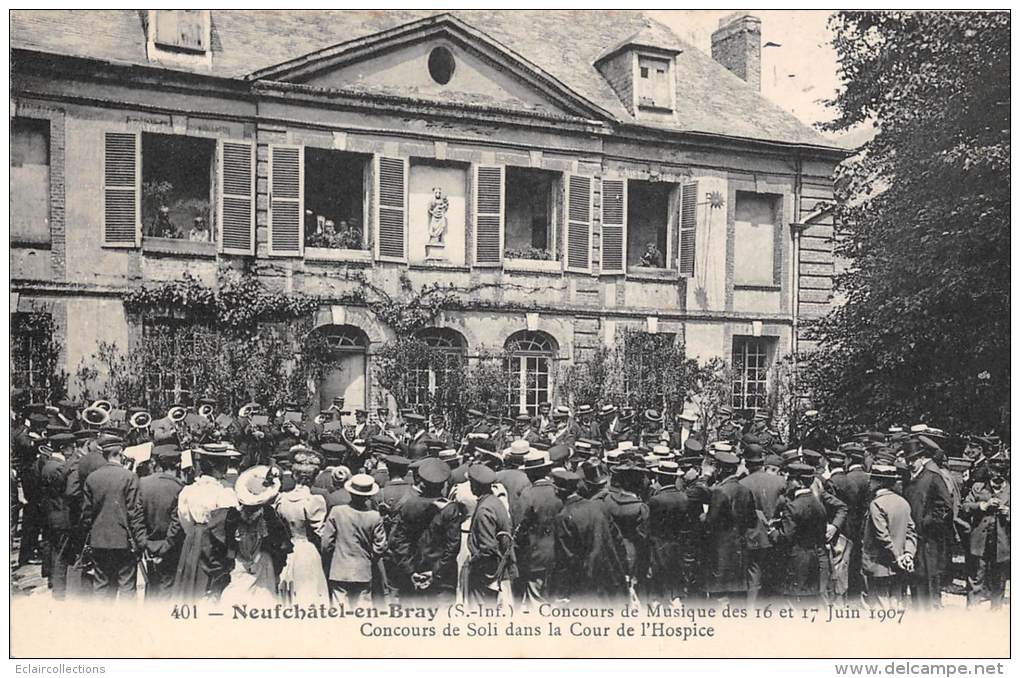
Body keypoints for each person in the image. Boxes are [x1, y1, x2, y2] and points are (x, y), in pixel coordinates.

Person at [79, 442, 147, 599]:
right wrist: (141, 542)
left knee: (101, 586)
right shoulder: (129, 477)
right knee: (127, 587)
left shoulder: (92, 478)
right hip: (124, 542)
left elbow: (86, 515)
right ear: (120, 453)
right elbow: (134, 513)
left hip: (99, 541)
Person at [388, 458, 462, 601]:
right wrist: (435, 572)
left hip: (412, 574)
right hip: (442, 578)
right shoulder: (449, 509)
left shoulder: (409, 504)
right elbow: (452, 546)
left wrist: (410, 571)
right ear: (443, 485)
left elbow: (399, 541)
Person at [549, 468, 628, 601]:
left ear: (557, 491)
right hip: (610, 580)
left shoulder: (563, 517)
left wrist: (561, 593)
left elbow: (566, 558)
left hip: (584, 585)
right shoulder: (598, 507)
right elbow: (618, 540)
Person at [172, 446, 240, 601]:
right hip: (214, 542)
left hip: (194, 537)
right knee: (212, 586)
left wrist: (196, 532)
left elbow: (185, 519)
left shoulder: (189, 490)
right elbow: (229, 524)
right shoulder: (225, 492)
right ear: (219, 466)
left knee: (191, 584)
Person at [221, 465, 292, 606]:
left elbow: (229, 545)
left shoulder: (233, 515)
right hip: (259, 562)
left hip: (241, 561)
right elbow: (281, 543)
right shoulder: (269, 515)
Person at [901, 437, 953, 609]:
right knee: (915, 577)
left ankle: (931, 615)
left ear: (922, 458)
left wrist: (927, 522)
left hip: (928, 538)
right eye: (908, 460)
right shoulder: (906, 479)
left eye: (914, 459)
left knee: (929, 577)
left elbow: (945, 506)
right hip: (911, 536)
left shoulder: (933, 478)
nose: (911, 463)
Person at [320, 473, 386, 607]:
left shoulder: (337, 512)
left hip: (339, 568)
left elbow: (326, 543)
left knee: (340, 609)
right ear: (369, 495)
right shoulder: (374, 516)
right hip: (363, 570)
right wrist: (369, 557)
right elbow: (381, 545)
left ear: (350, 493)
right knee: (363, 607)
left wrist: (330, 559)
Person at [274, 448, 330, 605]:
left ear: (294, 475)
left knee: (289, 596)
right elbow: (321, 532)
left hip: (287, 551)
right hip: (307, 551)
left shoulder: (282, 498)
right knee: (308, 594)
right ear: (314, 478)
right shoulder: (314, 501)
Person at [703, 451, 757, 603]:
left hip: (720, 551)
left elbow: (710, 523)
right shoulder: (745, 490)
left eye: (716, 468)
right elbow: (752, 521)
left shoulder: (720, 492)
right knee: (736, 595)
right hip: (740, 550)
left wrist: (703, 517)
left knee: (720, 594)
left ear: (721, 470)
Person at [770, 463, 828, 605]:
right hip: (813, 558)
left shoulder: (792, 506)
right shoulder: (818, 504)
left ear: (799, 483)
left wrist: (773, 532)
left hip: (795, 561)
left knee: (792, 603)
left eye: (790, 479)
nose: (787, 482)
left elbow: (786, 537)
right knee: (808, 601)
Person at [861, 464, 917, 610]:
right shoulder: (903, 502)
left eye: (872, 480)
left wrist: (897, 556)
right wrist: (908, 554)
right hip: (900, 566)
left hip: (880, 564)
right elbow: (911, 532)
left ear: (879, 482)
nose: (870, 483)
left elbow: (882, 536)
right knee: (897, 603)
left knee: (880, 605)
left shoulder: (876, 504)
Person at [739, 444, 787, 604]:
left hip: (752, 537)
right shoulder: (780, 481)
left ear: (746, 463)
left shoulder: (743, 484)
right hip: (775, 534)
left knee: (754, 574)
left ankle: (751, 610)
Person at [512, 450, 561, 606]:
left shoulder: (527, 494)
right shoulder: (558, 491)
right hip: (559, 554)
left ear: (529, 474)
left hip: (534, 556)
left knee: (536, 601)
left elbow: (519, 527)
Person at [962, 453, 1010, 609]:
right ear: (990, 471)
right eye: (995, 471)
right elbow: (965, 507)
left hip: (1002, 543)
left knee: (999, 579)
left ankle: (996, 609)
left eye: (1002, 471)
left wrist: (1009, 513)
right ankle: (972, 608)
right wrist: (983, 505)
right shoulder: (978, 488)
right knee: (976, 576)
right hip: (979, 541)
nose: (998, 475)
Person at [139, 444, 185, 598]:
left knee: (150, 587)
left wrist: (144, 542)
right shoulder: (180, 487)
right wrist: (167, 545)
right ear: (177, 464)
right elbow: (177, 522)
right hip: (170, 547)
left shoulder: (143, 483)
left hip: (147, 545)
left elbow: (136, 516)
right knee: (167, 588)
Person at [465, 463, 515, 604]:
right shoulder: (495, 502)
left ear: (474, 485)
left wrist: (474, 562)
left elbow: (488, 549)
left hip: (486, 575)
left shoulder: (484, 510)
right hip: (499, 571)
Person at [646, 461, 691, 603]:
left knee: (659, 581)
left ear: (660, 477)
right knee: (676, 577)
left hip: (659, 545)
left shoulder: (655, 500)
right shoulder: (684, 497)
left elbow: (649, 526)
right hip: (678, 544)